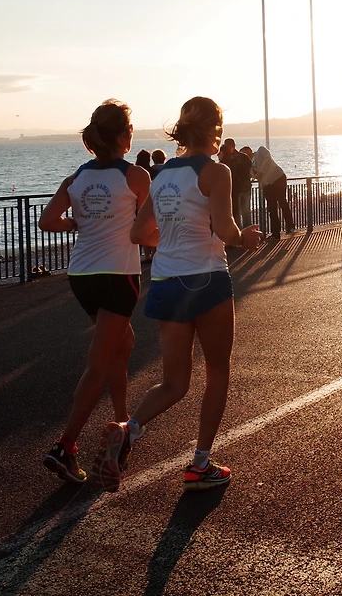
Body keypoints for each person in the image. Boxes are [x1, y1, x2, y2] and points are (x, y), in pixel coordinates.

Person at [92, 96, 262, 493]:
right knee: (217, 371)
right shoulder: (216, 171)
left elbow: (139, 233)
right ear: (215, 130)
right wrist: (245, 238)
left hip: (167, 281)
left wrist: (170, 241)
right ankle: (200, 464)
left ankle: (129, 429)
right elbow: (225, 229)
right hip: (206, 279)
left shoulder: (164, 173)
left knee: (174, 382)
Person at [37, 100, 150, 484]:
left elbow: (47, 221)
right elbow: (148, 227)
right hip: (118, 275)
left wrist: (77, 224)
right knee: (98, 362)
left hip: (82, 274)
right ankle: (65, 446)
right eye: (130, 128)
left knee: (123, 342)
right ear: (123, 134)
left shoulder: (77, 178)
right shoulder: (135, 176)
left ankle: (120, 422)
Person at [246, 144, 294, 238]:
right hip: (267, 184)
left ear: (249, 150)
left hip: (277, 178)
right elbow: (253, 175)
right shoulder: (251, 165)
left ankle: (290, 226)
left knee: (282, 202)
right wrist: (254, 174)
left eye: (244, 153)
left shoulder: (260, 150)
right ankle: (275, 232)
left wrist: (261, 172)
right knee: (271, 208)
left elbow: (268, 158)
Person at [219, 138, 254, 231]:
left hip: (235, 189)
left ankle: (239, 233)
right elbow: (250, 170)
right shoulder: (244, 157)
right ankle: (249, 232)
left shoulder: (228, 159)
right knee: (246, 213)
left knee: (236, 213)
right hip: (246, 187)